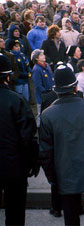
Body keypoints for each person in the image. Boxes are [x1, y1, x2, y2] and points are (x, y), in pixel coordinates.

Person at [39, 63, 84, 226]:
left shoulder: (47, 115)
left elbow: (45, 152)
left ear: (56, 89)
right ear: (75, 87)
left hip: (65, 172)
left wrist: (52, 176)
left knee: (71, 217)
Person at [0, 54, 38, 226]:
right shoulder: (16, 100)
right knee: (15, 213)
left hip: (13, 163)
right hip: (14, 167)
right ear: (7, 77)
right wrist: (32, 162)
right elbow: (28, 136)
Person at [31, 49, 53, 127]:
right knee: (41, 113)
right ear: (36, 58)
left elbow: (51, 78)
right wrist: (45, 94)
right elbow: (38, 85)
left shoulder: (47, 65)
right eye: (41, 55)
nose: (44, 56)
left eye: (43, 54)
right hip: (42, 97)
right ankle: (39, 127)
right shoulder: (36, 69)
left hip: (50, 94)